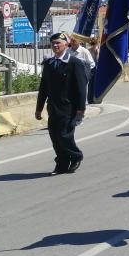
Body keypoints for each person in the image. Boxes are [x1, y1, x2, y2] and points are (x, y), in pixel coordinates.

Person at [35, 32, 88, 175]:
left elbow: (81, 88)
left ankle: (76, 156)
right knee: (55, 137)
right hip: (53, 108)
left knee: (64, 136)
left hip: (69, 108)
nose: (55, 45)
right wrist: (39, 109)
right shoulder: (49, 63)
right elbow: (43, 88)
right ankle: (62, 163)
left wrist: (81, 109)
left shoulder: (74, 63)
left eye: (58, 43)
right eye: (53, 43)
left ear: (66, 44)